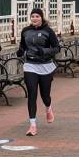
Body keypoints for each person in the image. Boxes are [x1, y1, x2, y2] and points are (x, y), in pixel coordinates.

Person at [17, 8, 60, 136]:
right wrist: (20, 51)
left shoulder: (48, 31)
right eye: (32, 16)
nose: (34, 18)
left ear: (41, 17)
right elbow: (22, 45)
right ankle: (33, 125)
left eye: (37, 16)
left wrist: (45, 51)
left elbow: (57, 48)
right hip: (30, 65)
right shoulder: (26, 31)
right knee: (32, 93)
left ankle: (48, 107)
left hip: (45, 66)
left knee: (45, 95)